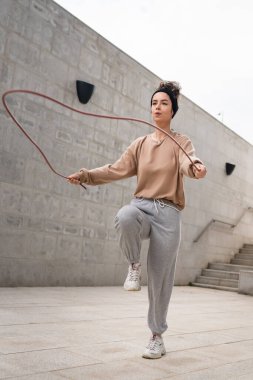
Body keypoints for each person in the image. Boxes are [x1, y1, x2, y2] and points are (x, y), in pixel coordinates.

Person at [67, 81, 207, 359]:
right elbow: (115, 170)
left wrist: (196, 168)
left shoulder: (181, 142)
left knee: (160, 280)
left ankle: (156, 336)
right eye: (154, 103)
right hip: (142, 207)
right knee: (125, 216)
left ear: (172, 110)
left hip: (168, 213)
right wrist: (85, 175)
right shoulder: (140, 145)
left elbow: (188, 161)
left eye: (164, 103)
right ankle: (133, 265)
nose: (158, 107)